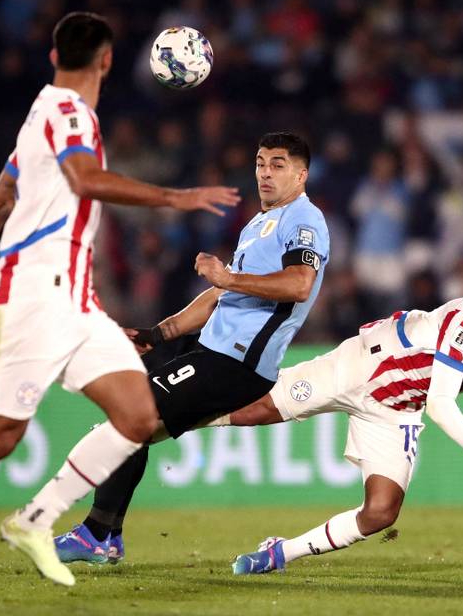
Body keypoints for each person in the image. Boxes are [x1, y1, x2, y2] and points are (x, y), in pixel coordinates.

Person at [0, 12, 239, 608]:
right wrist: (176, 197)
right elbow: (85, 178)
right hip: (31, 297)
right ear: (105, 61)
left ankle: (36, 519)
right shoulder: (70, 115)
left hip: (73, 301)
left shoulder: (40, 114)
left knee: (137, 416)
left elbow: (0, 199)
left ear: (53, 57)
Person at [53, 131, 330, 564]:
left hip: (237, 363)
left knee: (129, 418)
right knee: (130, 431)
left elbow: (299, 284)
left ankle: (95, 534)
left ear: (301, 173)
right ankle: (106, 535)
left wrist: (229, 278)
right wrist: (157, 334)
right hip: (211, 354)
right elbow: (219, 297)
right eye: (260, 162)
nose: (265, 172)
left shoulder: (305, 221)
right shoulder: (259, 224)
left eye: (278, 164)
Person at [226, 237, 463, 574]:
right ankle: (175, 414)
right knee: (254, 409)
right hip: (365, 366)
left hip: (398, 406)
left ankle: (278, 553)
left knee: (380, 513)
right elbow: (440, 405)